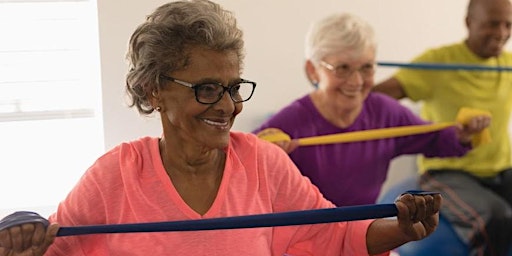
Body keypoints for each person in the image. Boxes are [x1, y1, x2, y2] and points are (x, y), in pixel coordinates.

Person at [0, 1, 443, 255]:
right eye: (207, 88)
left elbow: (334, 236)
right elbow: (53, 245)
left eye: (233, 87)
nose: (228, 105)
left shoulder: (263, 163)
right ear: (154, 90)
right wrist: (21, 241)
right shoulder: (114, 176)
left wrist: (402, 228)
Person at [252, 13, 490, 207]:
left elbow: (437, 139)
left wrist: (464, 133)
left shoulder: (385, 112)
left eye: (366, 68)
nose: (356, 81)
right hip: (303, 240)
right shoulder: (290, 122)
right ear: (313, 71)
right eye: (342, 68)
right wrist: (264, 159)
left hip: (364, 233)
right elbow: (239, 164)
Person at [373, 0, 512, 255]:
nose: (502, 33)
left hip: (501, 170)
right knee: (498, 217)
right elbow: (374, 98)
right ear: (470, 22)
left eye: (508, 25)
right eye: (493, 24)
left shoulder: (507, 65)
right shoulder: (438, 63)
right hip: (447, 171)